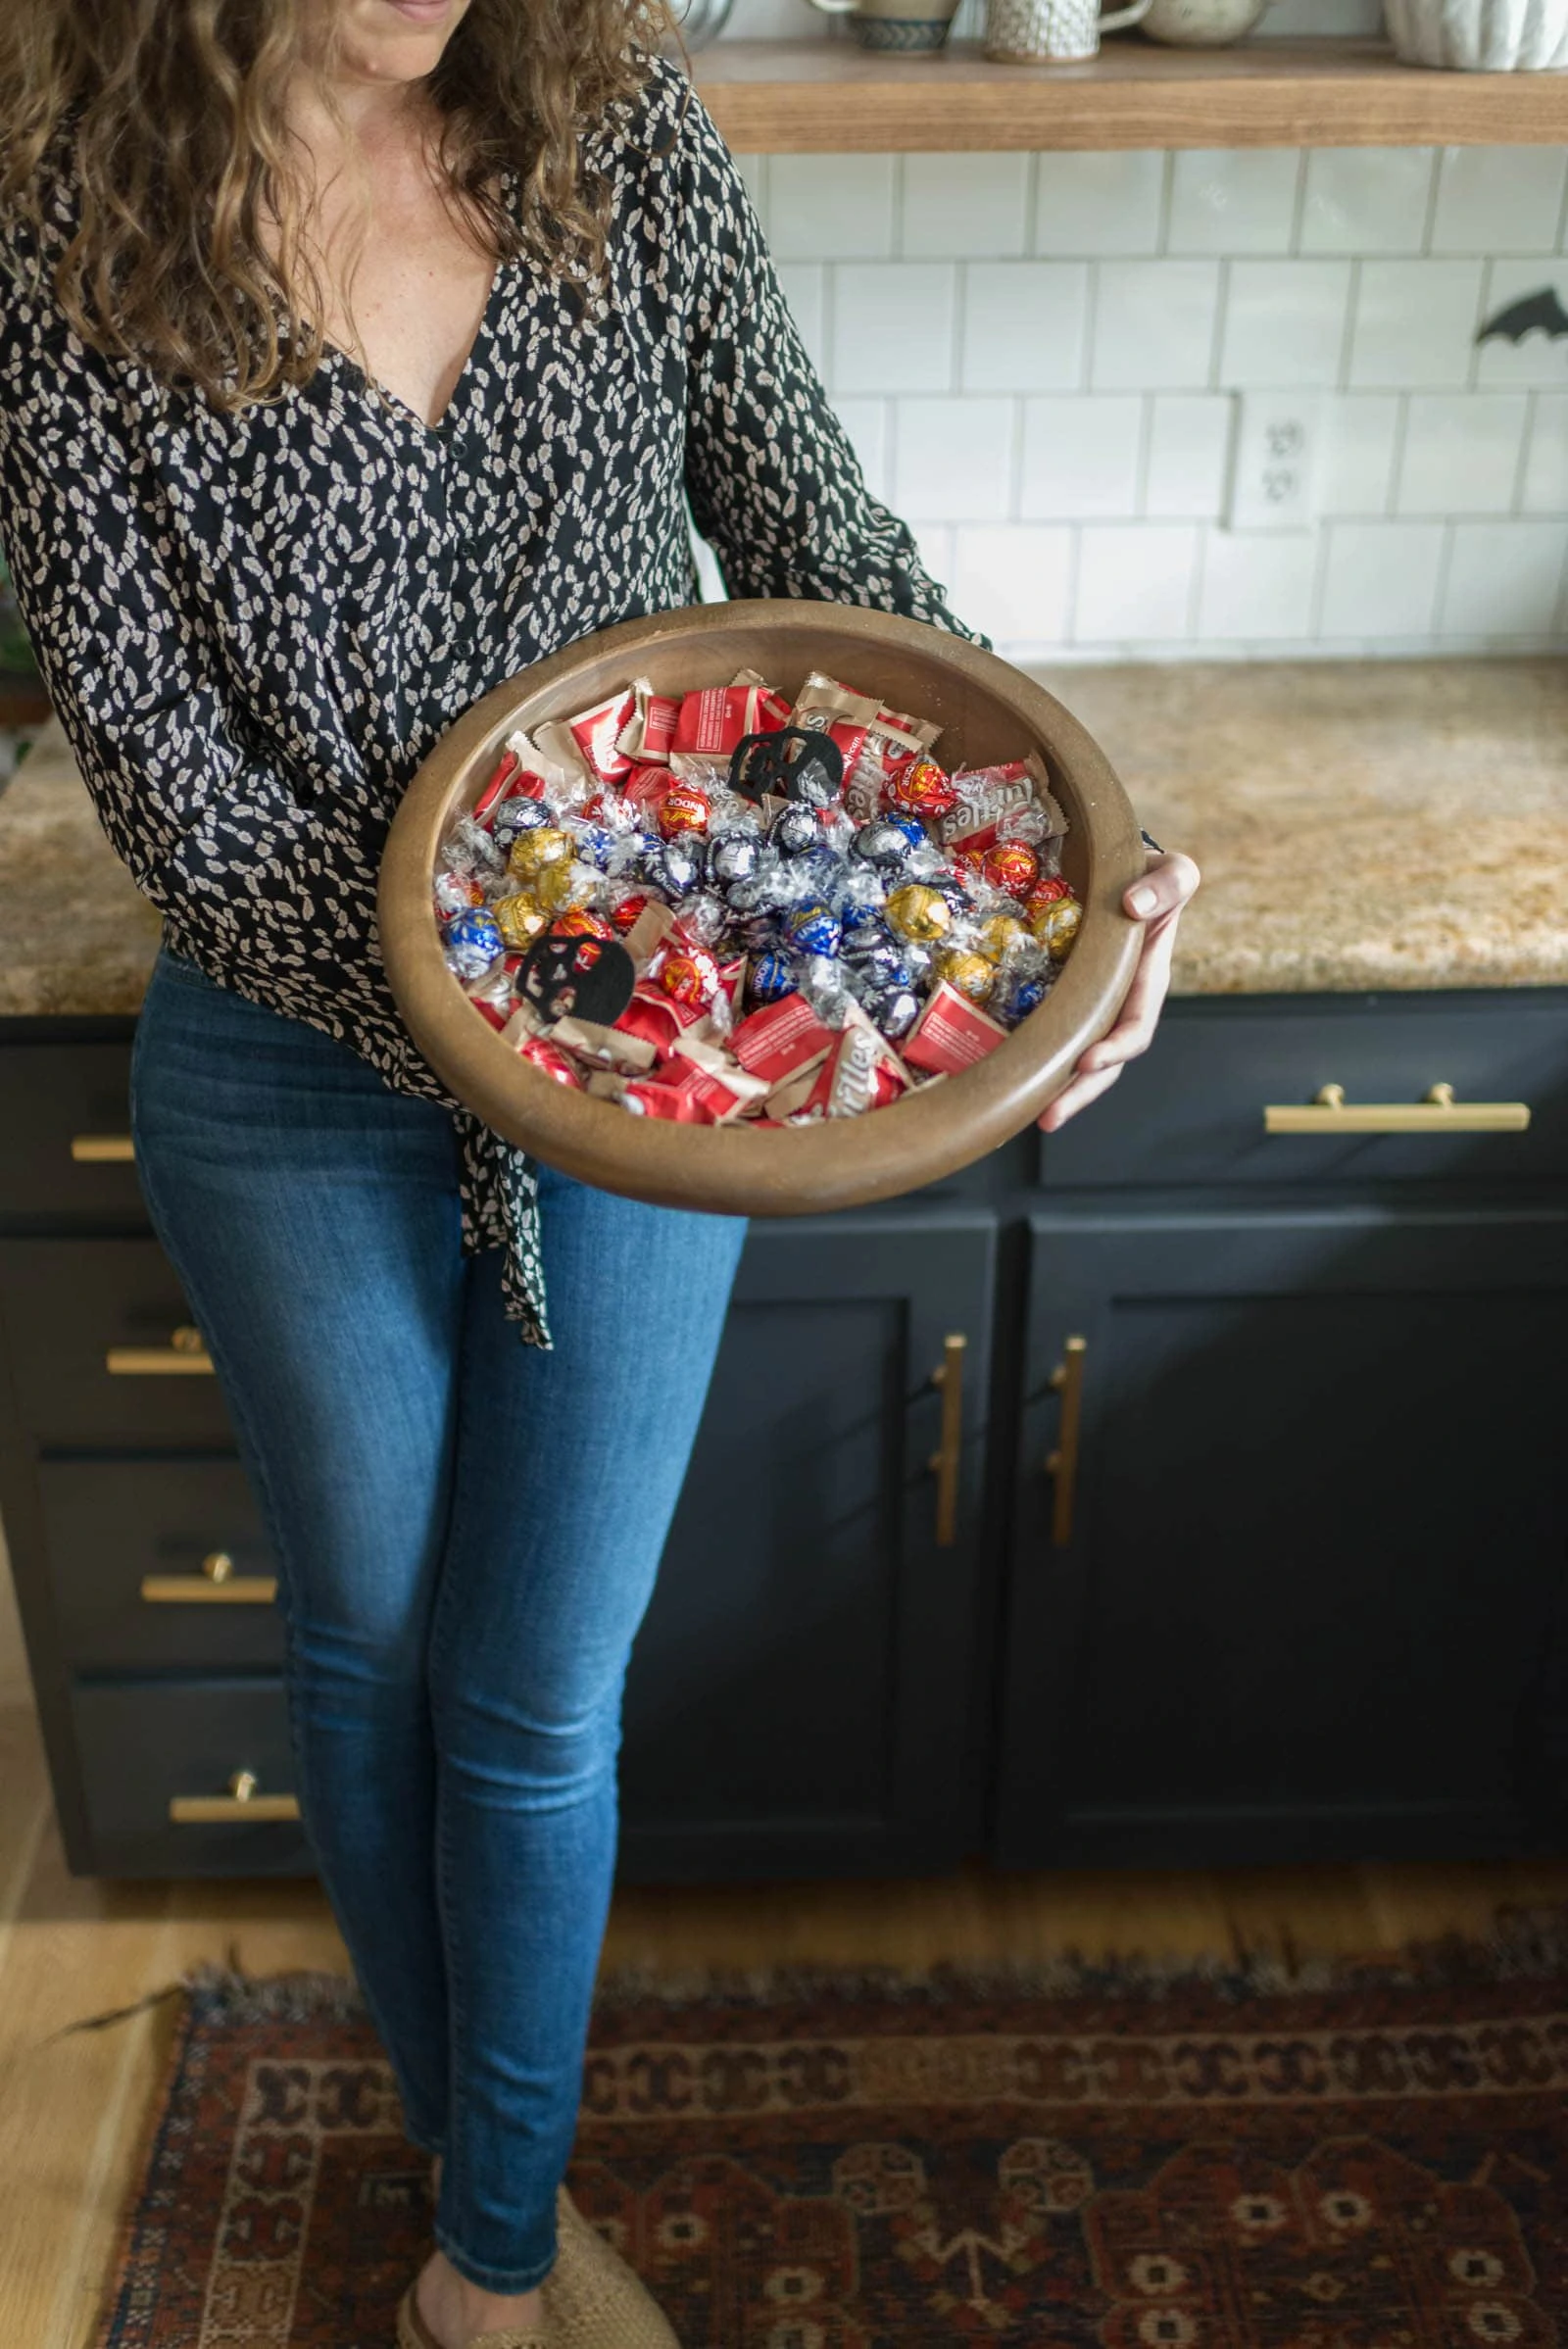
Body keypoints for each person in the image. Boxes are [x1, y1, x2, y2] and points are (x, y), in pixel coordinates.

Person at [0, 3, 1199, 2343]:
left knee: (536, 1693)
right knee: (369, 1650)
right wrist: (499, 1053)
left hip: (657, 1063)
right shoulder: (66, 231)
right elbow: (176, 793)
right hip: (288, 1072)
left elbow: (814, 534)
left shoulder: (604, 114)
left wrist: (1055, 840)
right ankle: (498, 2219)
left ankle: (488, 2236)